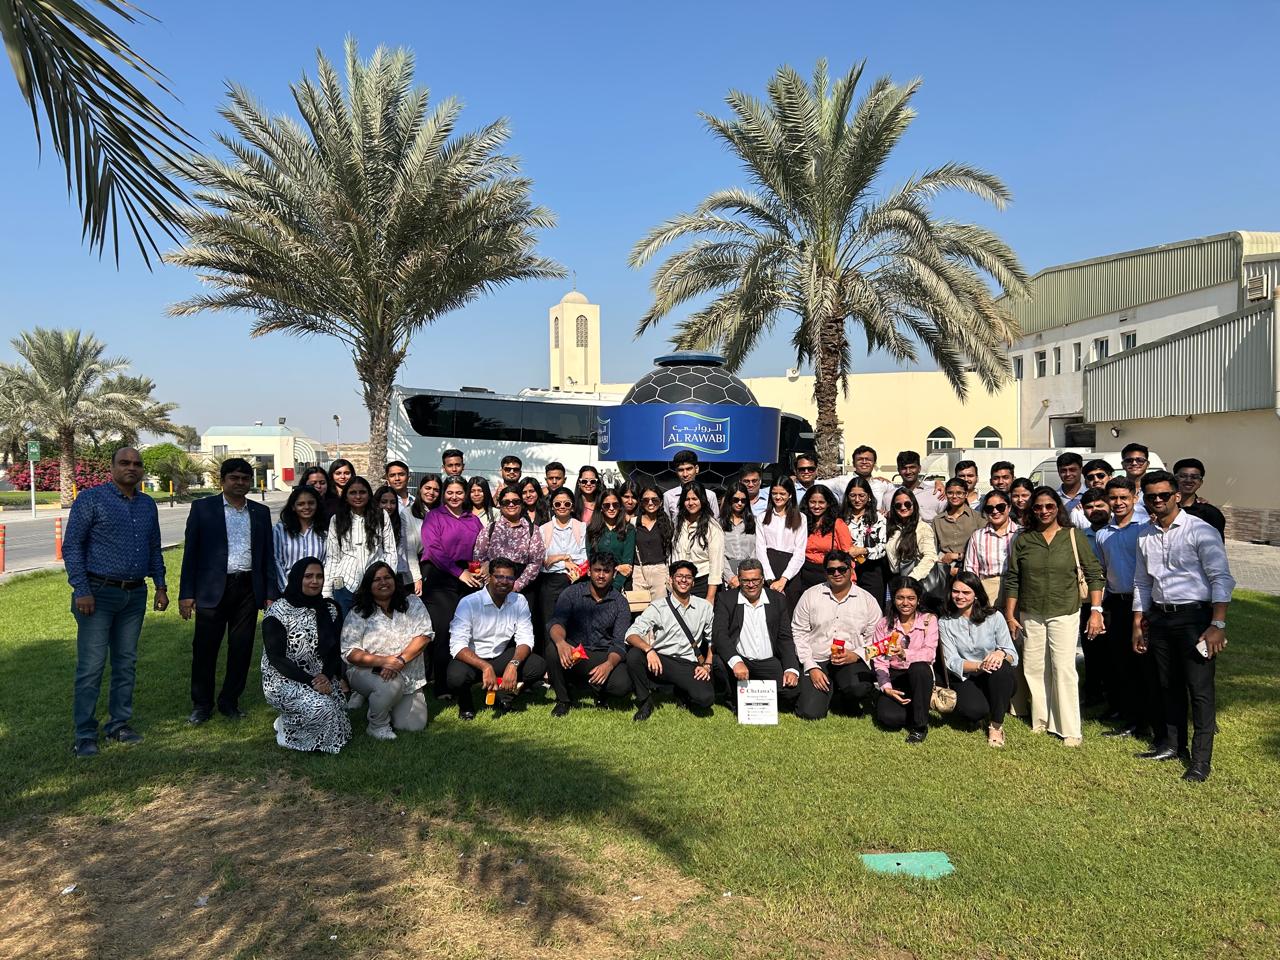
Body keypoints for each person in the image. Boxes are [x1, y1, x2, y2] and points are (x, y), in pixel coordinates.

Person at [64, 447, 168, 757]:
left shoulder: (147, 504)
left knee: (126, 663)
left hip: (134, 595)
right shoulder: (91, 500)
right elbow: (72, 547)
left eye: (137, 464)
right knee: (92, 666)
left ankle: (118, 724)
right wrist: (82, 589)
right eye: (124, 463)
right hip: (97, 594)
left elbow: (154, 547)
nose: (131, 468)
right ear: (111, 467)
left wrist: (160, 586)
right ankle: (85, 734)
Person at [1132, 470, 1235, 782]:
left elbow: (1221, 578)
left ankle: (1201, 760)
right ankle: (1172, 745)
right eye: (1151, 496)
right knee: (1168, 684)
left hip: (1195, 619)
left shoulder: (1201, 530)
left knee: (1199, 690)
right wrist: (1138, 622)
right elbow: (1142, 582)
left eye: (1164, 495)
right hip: (1160, 618)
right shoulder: (1144, 534)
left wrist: (1217, 624)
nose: (1158, 500)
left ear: (1177, 495)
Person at [1003, 486, 1105, 747]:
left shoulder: (1073, 535)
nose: (1044, 511)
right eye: (1038, 507)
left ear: (1057, 507)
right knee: (1034, 666)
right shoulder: (1024, 539)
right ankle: (1042, 719)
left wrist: (1096, 611)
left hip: (1064, 610)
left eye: (1049, 506)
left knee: (1063, 667)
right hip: (1031, 611)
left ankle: (1069, 727)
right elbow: (1014, 578)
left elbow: (1094, 574)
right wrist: (1010, 613)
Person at [180, 457, 277, 725]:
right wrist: (186, 593)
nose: (240, 483)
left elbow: (267, 556)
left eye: (245, 478)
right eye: (234, 478)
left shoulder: (260, 512)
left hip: (248, 589)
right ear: (222, 480)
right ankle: (202, 705)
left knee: (241, 648)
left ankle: (229, 701)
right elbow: (191, 554)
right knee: (205, 649)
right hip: (212, 589)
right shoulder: (203, 508)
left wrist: (269, 592)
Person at [261, 558, 351, 753]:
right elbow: (276, 659)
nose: (315, 581)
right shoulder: (277, 612)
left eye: (319, 576)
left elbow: (334, 651)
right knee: (323, 709)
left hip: (320, 677)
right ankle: (288, 733)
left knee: (337, 710)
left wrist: (325, 676)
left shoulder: (329, 609)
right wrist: (312, 681)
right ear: (296, 578)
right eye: (308, 576)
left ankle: (290, 720)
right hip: (284, 679)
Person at [340, 562, 432, 738]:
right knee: (390, 685)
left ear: (395, 581)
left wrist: (400, 661)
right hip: (369, 671)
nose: (383, 582)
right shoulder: (358, 613)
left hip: (408, 674)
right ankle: (377, 725)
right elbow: (350, 652)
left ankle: (381, 701)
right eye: (377, 580)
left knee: (413, 726)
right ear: (369, 585)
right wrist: (385, 662)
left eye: (387, 577)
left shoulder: (412, 603)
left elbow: (424, 636)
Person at [447, 557, 547, 719]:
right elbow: (457, 646)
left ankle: (504, 696)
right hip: (473, 660)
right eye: (499, 577)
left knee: (537, 665)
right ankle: (466, 704)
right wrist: (485, 667)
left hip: (500, 657)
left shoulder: (519, 601)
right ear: (489, 577)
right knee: (456, 677)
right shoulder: (469, 603)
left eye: (509, 578)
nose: (504, 582)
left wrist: (513, 665)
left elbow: (526, 639)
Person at [790, 549, 881, 720]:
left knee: (859, 687)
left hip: (850, 660)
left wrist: (857, 655)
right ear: (825, 573)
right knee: (810, 713)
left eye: (842, 569)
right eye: (831, 570)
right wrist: (810, 666)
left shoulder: (867, 600)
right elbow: (798, 632)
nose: (837, 574)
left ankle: (843, 697)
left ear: (851, 570)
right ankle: (827, 693)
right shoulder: (810, 596)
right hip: (818, 659)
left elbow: (876, 640)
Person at [625, 561, 716, 721]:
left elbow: (713, 640)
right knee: (634, 655)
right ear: (671, 580)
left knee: (705, 699)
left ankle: (682, 692)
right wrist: (648, 649)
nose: (683, 580)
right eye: (679, 576)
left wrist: (707, 665)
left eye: (688, 577)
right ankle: (645, 701)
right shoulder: (658, 607)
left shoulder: (704, 607)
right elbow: (631, 634)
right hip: (661, 662)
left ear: (693, 582)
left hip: (688, 663)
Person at [546, 553, 633, 715]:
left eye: (606, 571)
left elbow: (619, 642)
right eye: (597, 570)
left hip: (603, 654)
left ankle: (598, 690)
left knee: (622, 685)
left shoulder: (620, 602)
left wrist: (609, 665)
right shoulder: (571, 593)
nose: (601, 575)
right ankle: (563, 700)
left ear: (614, 574)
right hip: (576, 652)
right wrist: (561, 643)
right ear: (588, 571)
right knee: (552, 649)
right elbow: (556, 622)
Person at [420, 476, 484, 697]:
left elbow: (482, 547)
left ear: (465, 495)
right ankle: (441, 686)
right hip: (440, 577)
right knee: (443, 631)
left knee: (466, 630)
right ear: (443, 494)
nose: (454, 497)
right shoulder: (434, 516)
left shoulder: (473, 520)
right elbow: (433, 549)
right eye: (450, 492)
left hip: (468, 577)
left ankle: (463, 680)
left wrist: (482, 567)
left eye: (459, 492)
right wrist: (459, 573)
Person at [939, 572, 1019, 747]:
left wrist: (1000, 654)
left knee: (1001, 668)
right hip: (966, 675)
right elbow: (951, 661)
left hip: (995, 674)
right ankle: (988, 706)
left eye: (966, 592)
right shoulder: (945, 622)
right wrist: (979, 666)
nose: (959, 596)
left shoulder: (994, 617)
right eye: (955, 591)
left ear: (976, 594)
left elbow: (1012, 655)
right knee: (973, 711)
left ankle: (996, 725)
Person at [711, 558, 800, 713]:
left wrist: (790, 668)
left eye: (755, 580)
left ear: (762, 579)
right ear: (739, 580)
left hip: (768, 661)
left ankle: (760, 694)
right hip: (741, 659)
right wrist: (736, 661)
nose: (751, 585)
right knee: (719, 661)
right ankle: (733, 697)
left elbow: (785, 637)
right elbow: (719, 635)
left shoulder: (777, 599)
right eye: (745, 581)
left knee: (792, 692)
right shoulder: (726, 599)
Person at [1095, 477, 1146, 739]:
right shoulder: (1103, 534)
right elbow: (1102, 572)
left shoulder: (1145, 528)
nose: (1118, 503)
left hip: (1143, 604)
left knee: (1143, 664)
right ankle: (1128, 715)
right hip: (1116, 602)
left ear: (1134, 497)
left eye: (1124, 497)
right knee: (1120, 663)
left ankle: (1145, 718)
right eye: (1113, 498)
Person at [871, 576, 938, 743]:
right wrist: (886, 687)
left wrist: (905, 654)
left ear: (918, 599)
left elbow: (930, 653)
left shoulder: (928, 620)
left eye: (911, 598)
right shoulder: (884, 624)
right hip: (895, 675)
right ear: (894, 599)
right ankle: (915, 707)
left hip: (919, 676)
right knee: (890, 719)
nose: (905, 603)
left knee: (919, 667)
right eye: (900, 598)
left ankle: (919, 727)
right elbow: (879, 660)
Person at [323, 477, 394, 616]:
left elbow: (390, 551)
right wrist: (326, 591)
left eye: (362, 492)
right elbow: (333, 557)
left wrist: (388, 580)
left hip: (376, 583)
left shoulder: (381, 516)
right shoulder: (337, 519)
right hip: (345, 584)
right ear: (346, 496)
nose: (358, 496)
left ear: (369, 494)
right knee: (346, 627)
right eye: (353, 493)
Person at [473, 485, 547, 595]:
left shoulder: (532, 530)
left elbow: (535, 562)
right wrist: (490, 582)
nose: (511, 505)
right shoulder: (490, 529)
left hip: (523, 587)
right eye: (506, 502)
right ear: (500, 505)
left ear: (521, 504)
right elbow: (479, 556)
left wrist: (516, 586)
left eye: (516, 501)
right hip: (494, 586)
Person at [1076, 486, 1111, 708]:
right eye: (1089, 506)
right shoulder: (1080, 536)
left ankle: (1115, 694)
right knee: (1092, 650)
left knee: (1115, 652)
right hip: (1089, 600)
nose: (1095, 510)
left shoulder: (1118, 532)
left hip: (1116, 599)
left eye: (1100, 505)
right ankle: (1094, 693)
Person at [539, 488, 589, 633]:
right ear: (552, 507)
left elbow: (584, 557)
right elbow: (543, 563)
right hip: (551, 582)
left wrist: (555, 559)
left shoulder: (581, 527)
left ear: (572, 507)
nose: (562, 506)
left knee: (574, 625)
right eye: (557, 504)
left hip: (575, 580)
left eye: (566, 504)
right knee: (550, 623)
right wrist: (563, 560)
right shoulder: (543, 529)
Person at [793, 484, 853, 607]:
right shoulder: (801, 522)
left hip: (828, 573)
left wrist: (851, 580)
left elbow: (847, 554)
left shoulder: (838, 524)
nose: (816, 506)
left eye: (821, 502)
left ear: (828, 504)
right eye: (812, 502)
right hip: (804, 574)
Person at [963, 490, 1019, 606]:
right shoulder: (978, 536)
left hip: (1016, 589)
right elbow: (970, 569)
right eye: (989, 509)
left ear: (1009, 508)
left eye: (1000, 507)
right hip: (987, 590)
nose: (995, 511)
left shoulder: (1020, 533)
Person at [840, 476, 889, 610]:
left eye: (861, 495)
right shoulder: (841, 518)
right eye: (853, 495)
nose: (857, 500)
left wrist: (864, 550)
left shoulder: (878, 518)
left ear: (869, 496)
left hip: (871, 569)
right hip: (846, 569)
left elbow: (883, 546)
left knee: (873, 608)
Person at [671, 482, 724, 602]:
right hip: (680, 583)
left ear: (702, 500)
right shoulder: (678, 523)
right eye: (687, 499)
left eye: (695, 499)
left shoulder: (712, 527)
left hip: (702, 583)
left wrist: (710, 597)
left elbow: (716, 564)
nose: (691, 503)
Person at [756, 477, 806, 597]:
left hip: (791, 571)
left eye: (782, 493)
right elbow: (760, 549)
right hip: (768, 568)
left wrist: (784, 579)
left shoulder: (801, 518)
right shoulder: (762, 517)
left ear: (790, 495)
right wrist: (770, 579)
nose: (778, 497)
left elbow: (800, 551)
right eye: (774, 493)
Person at [272, 484, 327, 591]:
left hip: (316, 588)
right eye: (301, 504)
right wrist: (287, 589)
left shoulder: (324, 531)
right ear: (293, 507)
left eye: (311, 503)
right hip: (287, 589)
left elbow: (326, 562)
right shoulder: (280, 530)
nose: (306, 507)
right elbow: (277, 561)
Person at [375, 484, 422, 597]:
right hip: (374, 575)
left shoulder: (399, 523)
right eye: (384, 502)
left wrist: (416, 577)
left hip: (396, 574)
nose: (388, 506)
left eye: (393, 502)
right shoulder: (369, 523)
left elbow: (408, 549)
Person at [886, 488, 939, 586]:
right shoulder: (892, 528)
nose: (903, 508)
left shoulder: (922, 528)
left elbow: (930, 556)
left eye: (907, 504)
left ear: (914, 504)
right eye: (898, 505)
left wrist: (911, 579)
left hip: (914, 582)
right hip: (894, 580)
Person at [585, 488, 636, 590]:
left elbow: (627, 564)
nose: (611, 508)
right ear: (601, 507)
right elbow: (591, 559)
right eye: (607, 505)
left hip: (620, 585)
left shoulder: (628, 529)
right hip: (597, 584)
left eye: (615, 505)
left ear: (620, 507)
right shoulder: (592, 530)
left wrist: (614, 588)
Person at [932, 478, 982, 578]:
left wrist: (957, 556)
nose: (954, 496)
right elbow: (933, 548)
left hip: (970, 567)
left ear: (966, 494)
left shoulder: (978, 517)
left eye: (959, 493)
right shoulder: (938, 520)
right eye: (950, 493)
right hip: (944, 569)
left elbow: (983, 548)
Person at [632, 481, 673, 600]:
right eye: (646, 500)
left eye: (654, 500)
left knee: (660, 607)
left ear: (661, 502)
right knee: (639, 607)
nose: (650, 503)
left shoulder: (667, 524)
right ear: (641, 502)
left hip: (660, 571)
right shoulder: (633, 523)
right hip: (639, 571)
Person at [827, 445, 893, 512]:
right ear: (853, 463)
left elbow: (897, 491)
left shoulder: (881, 484)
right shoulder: (841, 481)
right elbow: (820, 485)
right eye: (860, 459)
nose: (864, 462)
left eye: (868, 459)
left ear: (874, 463)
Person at [1173, 458, 1226, 539]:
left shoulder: (1210, 514)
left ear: (1200, 482)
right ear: (1174, 479)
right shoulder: (1162, 508)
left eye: (1194, 477)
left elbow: (1216, 544)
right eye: (1183, 476)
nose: (1188, 480)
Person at [719, 482, 757, 589]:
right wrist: (730, 577)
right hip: (727, 571)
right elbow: (719, 553)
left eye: (743, 500)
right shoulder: (719, 523)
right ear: (729, 500)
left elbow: (756, 549)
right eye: (736, 500)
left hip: (750, 569)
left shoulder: (754, 522)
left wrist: (749, 571)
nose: (739, 503)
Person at [663, 450, 721, 520]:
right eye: (681, 470)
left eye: (688, 469)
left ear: (696, 469)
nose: (685, 474)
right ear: (676, 471)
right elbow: (666, 524)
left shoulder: (710, 496)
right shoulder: (668, 496)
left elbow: (715, 522)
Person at [885, 450, 942, 520]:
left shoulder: (936, 494)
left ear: (919, 468)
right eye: (904, 468)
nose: (908, 472)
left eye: (912, 467)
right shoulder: (889, 497)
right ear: (898, 470)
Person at [409, 473, 441, 581]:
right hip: (417, 566)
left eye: (436, 490)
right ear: (420, 489)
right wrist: (416, 577)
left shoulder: (443, 514)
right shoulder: (408, 513)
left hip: (440, 566)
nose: (431, 492)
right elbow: (409, 548)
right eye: (427, 488)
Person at [1121, 443, 1152, 521]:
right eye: (1129, 460)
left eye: (1140, 460)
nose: (1134, 463)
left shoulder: (1155, 487)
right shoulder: (1116, 488)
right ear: (1123, 465)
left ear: (1148, 464)